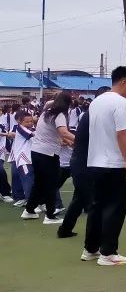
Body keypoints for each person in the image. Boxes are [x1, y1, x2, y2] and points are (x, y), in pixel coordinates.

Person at [82, 66, 126, 266]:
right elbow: (122, 133)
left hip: (95, 162)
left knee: (97, 207)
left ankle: (90, 249)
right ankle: (108, 253)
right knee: (115, 208)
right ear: (123, 81)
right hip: (114, 165)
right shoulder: (121, 103)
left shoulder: (96, 101)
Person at [22, 92, 74, 225]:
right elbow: (63, 132)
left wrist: (68, 142)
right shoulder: (60, 114)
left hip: (36, 151)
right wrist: (80, 140)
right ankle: (50, 216)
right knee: (51, 184)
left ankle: (29, 210)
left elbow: (53, 134)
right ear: (67, 104)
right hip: (48, 154)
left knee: (39, 183)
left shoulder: (47, 112)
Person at [58, 109, 92, 239]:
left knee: (79, 199)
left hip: (82, 162)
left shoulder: (88, 116)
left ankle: (65, 230)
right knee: (92, 202)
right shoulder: (91, 117)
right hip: (84, 163)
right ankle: (93, 244)